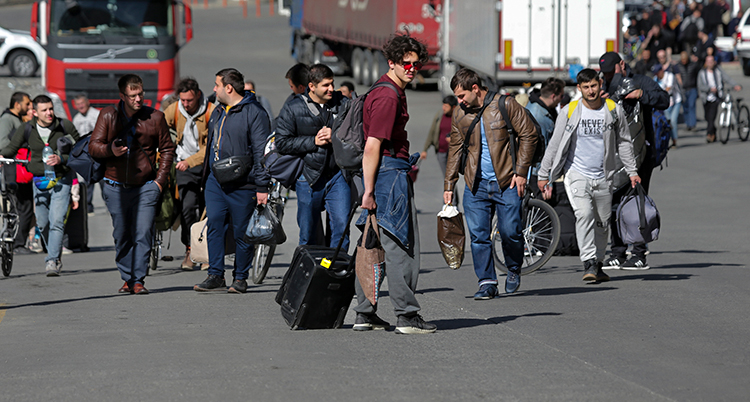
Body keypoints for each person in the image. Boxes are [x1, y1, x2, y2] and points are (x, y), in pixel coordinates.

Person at [354, 34, 436, 334]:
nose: (412, 69)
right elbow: (372, 145)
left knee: (370, 245)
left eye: (417, 64)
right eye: (406, 63)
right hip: (388, 176)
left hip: (383, 175)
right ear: (392, 62)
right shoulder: (388, 96)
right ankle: (407, 316)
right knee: (401, 246)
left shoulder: (385, 89)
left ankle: (364, 313)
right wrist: (369, 191)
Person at [537, 68, 641, 282]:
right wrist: (543, 174)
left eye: (594, 86)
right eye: (586, 87)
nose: (591, 91)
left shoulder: (612, 109)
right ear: (579, 89)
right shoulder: (570, 111)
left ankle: (599, 262)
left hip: (604, 176)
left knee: (603, 222)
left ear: (600, 85)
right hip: (576, 173)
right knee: (584, 214)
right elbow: (555, 145)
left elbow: (624, 142)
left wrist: (632, 171)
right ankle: (588, 262)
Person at [445, 68, 537, 300]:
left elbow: (528, 134)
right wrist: (449, 185)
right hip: (475, 184)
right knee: (478, 236)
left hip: (507, 181)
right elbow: (455, 149)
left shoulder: (505, 105)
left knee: (510, 232)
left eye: (462, 95)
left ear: (475, 89)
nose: (459, 101)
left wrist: (521, 172)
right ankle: (487, 282)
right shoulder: (460, 113)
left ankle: (513, 268)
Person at [89, 74, 175, 294]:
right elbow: (94, 146)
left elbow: (167, 149)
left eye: (140, 94)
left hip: (146, 186)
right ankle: (127, 277)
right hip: (115, 185)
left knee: (143, 231)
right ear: (122, 96)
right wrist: (110, 150)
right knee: (123, 233)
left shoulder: (155, 117)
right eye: (133, 95)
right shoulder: (108, 115)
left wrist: (160, 181)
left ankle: (138, 280)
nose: (138, 99)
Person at [193, 68, 270, 294]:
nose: (214, 89)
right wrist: (205, 177)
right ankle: (215, 274)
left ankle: (240, 278)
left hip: (243, 183)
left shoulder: (255, 113)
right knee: (214, 224)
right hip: (215, 181)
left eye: (217, 85)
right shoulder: (218, 111)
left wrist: (262, 186)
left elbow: (261, 151)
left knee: (241, 231)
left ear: (228, 87)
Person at [599, 51, 669, 270]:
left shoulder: (641, 81)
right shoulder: (604, 85)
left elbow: (665, 99)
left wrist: (641, 95)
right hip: (614, 155)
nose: (609, 76)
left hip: (641, 154)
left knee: (636, 202)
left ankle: (639, 254)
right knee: (613, 204)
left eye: (612, 71)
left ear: (621, 64)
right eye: (606, 73)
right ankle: (618, 252)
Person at [1, 95, 80, 276]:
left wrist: (62, 159)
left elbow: (81, 149)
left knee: (57, 221)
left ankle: (52, 260)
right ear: (35, 113)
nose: (49, 113)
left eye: (51, 109)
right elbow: (10, 149)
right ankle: (54, 251)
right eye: (44, 110)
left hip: (62, 179)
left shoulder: (64, 125)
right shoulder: (27, 128)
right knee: (43, 223)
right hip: (39, 181)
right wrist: (1, 156)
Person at [276, 64, 351, 250]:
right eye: (326, 85)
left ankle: (334, 270)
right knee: (308, 234)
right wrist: (313, 141)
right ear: (312, 86)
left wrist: (335, 135)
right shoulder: (293, 108)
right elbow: (282, 143)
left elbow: (357, 133)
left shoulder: (343, 104)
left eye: (332, 84)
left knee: (341, 228)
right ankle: (309, 274)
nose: (331, 89)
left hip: (337, 176)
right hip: (308, 178)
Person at [164, 77, 213, 270]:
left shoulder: (210, 111)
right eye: (183, 100)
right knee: (187, 208)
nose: (185, 104)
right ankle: (190, 249)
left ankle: (205, 252)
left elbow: (209, 146)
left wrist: (190, 161)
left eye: (189, 100)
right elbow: (160, 127)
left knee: (206, 209)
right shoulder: (175, 109)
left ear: (198, 95)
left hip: (204, 165)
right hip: (182, 166)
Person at [0, 92, 35, 255]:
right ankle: (17, 244)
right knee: (20, 206)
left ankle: (19, 242)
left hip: (21, 170)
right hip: (13, 172)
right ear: (17, 104)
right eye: (27, 104)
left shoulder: (18, 120)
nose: (29, 107)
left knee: (24, 206)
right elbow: (2, 143)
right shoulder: (7, 119)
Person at [698, 55, 741, 143]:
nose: (710, 63)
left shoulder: (718, 71)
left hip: (717, 97)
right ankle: (713, 133)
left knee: (711, 117)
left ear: (714, 62)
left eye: (712, 61)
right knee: (707, 117)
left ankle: (709, 134)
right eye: (708, 62)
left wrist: (735, 85)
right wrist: (709, 89)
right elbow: (700, 86)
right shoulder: (702, 73)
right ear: (706, 63)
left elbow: (727, 78)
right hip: (706, 98)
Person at [71, 93, 101, 214]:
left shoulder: (96, 115)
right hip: (85, 153)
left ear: (87, 102)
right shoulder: (76, 119)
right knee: (87, 179)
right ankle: (88, 205)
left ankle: (109, 203)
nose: (80, 106)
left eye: (82, 103)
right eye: (78, 104)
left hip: (98, 151)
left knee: (103, 179)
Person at [420, 95, 458, 180]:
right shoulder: (439, 116)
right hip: (440, 151)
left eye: (446, 106)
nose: (443, 108)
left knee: (451, 177)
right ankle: (450, 192)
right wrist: (425, 150)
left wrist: (454, 140)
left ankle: (451, 192)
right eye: (443, 105)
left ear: (453, 107)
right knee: (446, 177)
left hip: (453, 153)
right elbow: (432, 132)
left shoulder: (458, 118)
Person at [653, 64, 682, 148]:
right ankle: (666, 139)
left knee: (673, 120)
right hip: (665, 104)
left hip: (675, 101)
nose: (656, 75)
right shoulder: (655, 79)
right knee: (667, 121)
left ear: (661, 71)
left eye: (657, 72)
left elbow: (668, 88)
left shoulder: (670, 76)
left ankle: (674, 140)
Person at [678, 51, 701, 131]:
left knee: (692, 105)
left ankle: (692, 124)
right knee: (685, 107)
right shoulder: (678, 66)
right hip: (683, 89)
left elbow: (699, 73)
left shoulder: (693, 65)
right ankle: (688, 123)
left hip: (692, 88)